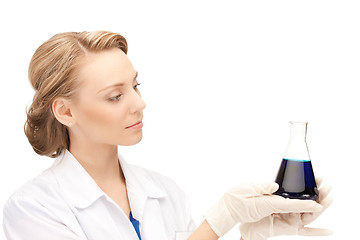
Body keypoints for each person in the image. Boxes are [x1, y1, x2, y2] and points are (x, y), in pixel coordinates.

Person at [2, 31, 332, 240]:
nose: (139, 104)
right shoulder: (34, 208)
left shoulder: (163, 192)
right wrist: (219, 221)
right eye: (115, 96)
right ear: (66, 112)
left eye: (135, 86)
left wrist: (251, 236)